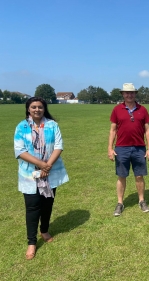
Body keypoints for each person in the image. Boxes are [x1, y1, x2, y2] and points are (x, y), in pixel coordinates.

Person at [14, 97, 69, 260]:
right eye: (33, 107)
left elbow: (59, 146)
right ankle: (31, 242)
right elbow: (19, 150)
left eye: (40, 107)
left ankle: (44, 230)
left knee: (47, 204)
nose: (37, 109)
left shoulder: (52, 125)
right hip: (29, 174)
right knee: (32, 207)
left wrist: (47, 166)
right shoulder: (21, 127)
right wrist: (40, 164)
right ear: (28, 109)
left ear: (44, 109)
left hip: (50, 172)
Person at [108, 83, 149, 216]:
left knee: (139, 175)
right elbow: (112, 130)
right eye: (127, 93)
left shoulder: (142, 109)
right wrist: (110, 148)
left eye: (132, 92)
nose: (129, 95)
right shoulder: (117, 109)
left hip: (139, 148)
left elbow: (147, 130)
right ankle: (120, 203)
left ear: (135, 94)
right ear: (122, 94)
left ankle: (141, 200)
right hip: (121, 148)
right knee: (121, 176)